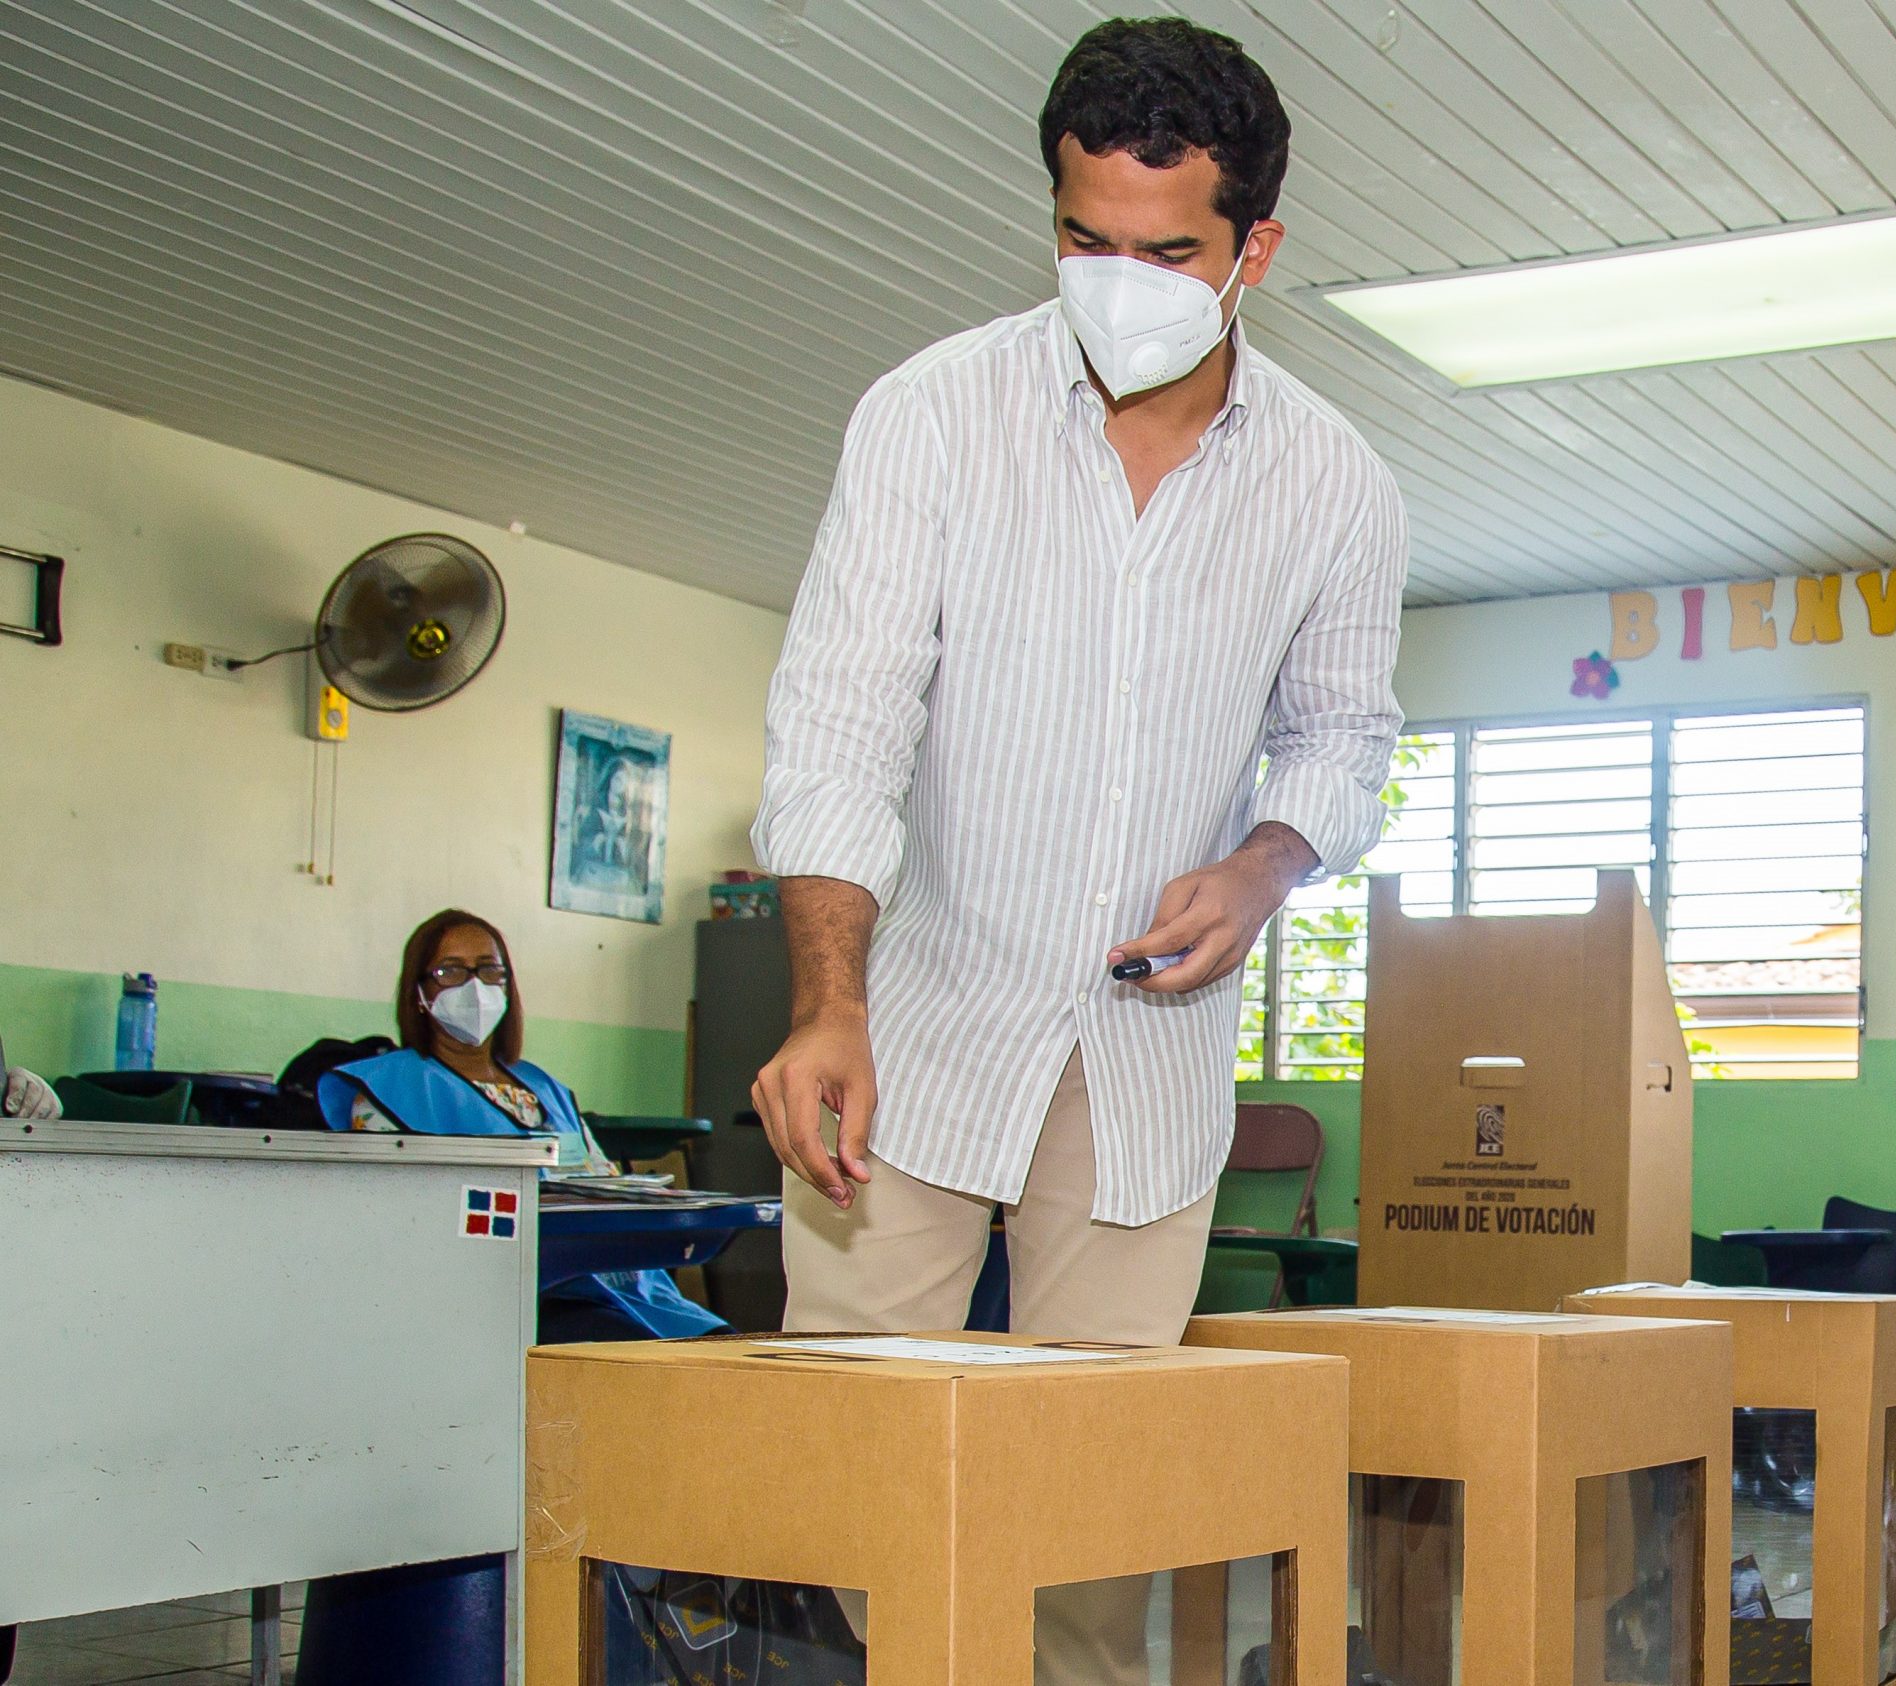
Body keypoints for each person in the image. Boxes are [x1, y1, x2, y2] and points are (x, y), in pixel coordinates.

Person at [750, 18, 1403, 1680]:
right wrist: (827, 999)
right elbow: (840, 722)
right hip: (911, 1044)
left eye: (1166, 251)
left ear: (1255, 245)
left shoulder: (1335, 483)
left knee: (1094, 1533)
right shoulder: (927, 418)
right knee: (846, 1482)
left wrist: (1261, 872)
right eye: (1081, 239)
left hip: (1147, 1071)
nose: (1118, 282)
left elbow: (1347, 738)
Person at [317, 908, 723, 1342]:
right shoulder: (389, 1092)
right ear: (419, 991)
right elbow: (392, 1221)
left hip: (613, 1280)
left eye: (490, 970)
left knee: (721, 1347)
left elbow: (605, 1183)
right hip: (504, 1293)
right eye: (450, 970)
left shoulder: (543, 1087)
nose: (474, 986)